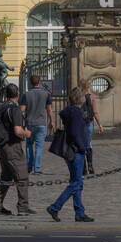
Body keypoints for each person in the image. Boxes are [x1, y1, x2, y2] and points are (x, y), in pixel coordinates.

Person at [46, 87, 94, 223]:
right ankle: (55, 207)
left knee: (78, 182)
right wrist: (82, 147)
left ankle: (79, 212)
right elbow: (75, 132)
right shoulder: (76, 113)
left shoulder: (69, 111)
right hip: (75, 151)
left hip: (71, 150)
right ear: (80, 98)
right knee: (75, 183)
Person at [0, 83, 34, 217]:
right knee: (22, 176)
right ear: (18, 94)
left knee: (6, 176)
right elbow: (17, 130)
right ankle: (23, 207)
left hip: (2, 146)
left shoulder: (1, 107)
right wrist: (27, 134)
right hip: (12, 146)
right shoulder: (14, 109)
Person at [20, 74, 54, 174]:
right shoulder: (46, 94)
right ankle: (37, 168)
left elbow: (22, 109)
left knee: (29, 145)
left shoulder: (26, 94)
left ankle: (29, 166)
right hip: (41, 123)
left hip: (29, 123)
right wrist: (51, 121)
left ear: (31, 83)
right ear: (40, 82)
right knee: (39, 147)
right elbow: (49, 109)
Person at [79, 79, 104, 175]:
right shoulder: (91, 97)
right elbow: (95, 113)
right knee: (88, 144)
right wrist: (100, 125)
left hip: (80, 124)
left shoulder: (78, 98)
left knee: (81, 144)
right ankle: (90, 166)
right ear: (87, 87)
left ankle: (83, 168)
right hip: (89, 123)